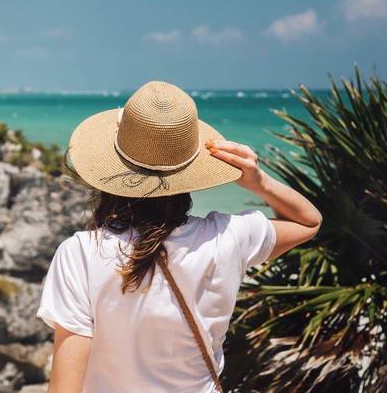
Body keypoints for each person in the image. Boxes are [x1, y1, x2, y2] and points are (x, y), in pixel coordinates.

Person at [37, 81, 321, 393]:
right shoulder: (228, 237)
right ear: (190, 170)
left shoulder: (81, 253)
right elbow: (308, 222)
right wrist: (258, 180)